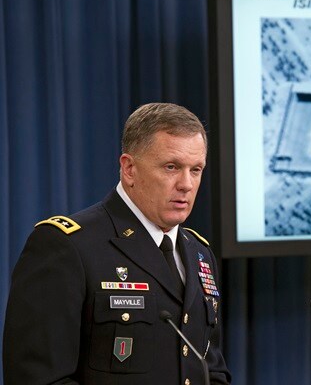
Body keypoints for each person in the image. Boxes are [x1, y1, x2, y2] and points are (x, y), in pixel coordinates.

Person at [3, 103, 231, 384]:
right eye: (171, 167)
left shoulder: (200, 253)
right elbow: (37, 378)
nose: (186, 184)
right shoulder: (67, 246)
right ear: (129, 169)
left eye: (195, 170)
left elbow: (211, 368)